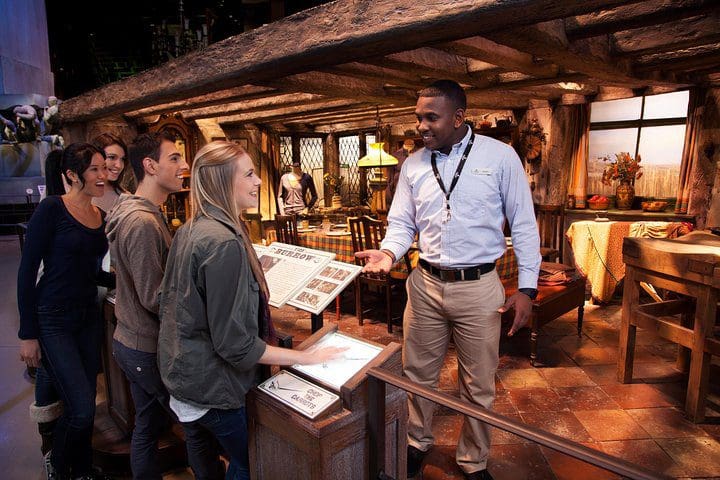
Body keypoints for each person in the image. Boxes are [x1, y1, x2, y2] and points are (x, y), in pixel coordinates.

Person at [356, 80, 540, 480]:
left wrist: (527, 289)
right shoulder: (414, 165)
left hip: (479, 288)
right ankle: (416, 442)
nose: (421, 125)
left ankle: (473, 461)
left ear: (458, 118)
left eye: (431, 117)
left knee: (478, 383)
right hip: (424, 285)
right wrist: (389, 253)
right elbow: (402, 222)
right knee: (416, 373)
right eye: (419, 116)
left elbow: (525, 226)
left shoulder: (500, 156)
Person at [157, 141, 345, 480]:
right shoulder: (223, 242)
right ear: (221, 182)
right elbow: (235, 344)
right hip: (214, 388)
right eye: (248, 174)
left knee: (205, 460)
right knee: (252, 463)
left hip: (185, 379)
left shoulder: (190, 229)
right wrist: (307, 357)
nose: (258, 182)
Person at [105, 132, 224, 480]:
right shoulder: (142, 222)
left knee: (149, 423)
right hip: (144, 346)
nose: (184, 166)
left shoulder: (137, 212)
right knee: (197, 424)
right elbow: (153, 296)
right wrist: (205, 297)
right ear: (150, 165)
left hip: (130, 341)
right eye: (174, 158)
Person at [18, 143, 116, 480]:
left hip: (86, 317)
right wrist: (27, 334)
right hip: (53, 317)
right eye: (95, 169)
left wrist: (121, 280)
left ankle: (83, 468)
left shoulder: (99, 215)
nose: (104, 175)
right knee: (81, 407)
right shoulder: (51, 210)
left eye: (105, 167)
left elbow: (91, 272)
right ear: (73, 175)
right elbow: (27, 270)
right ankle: (59, 467)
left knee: (85, 400)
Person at [92, 133, 128, 213]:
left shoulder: (125, 198)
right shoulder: (73, 188)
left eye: (122, 159)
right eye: (112, 157)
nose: (119, 165)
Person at [386, 138, 417, 207]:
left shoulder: (421, 155)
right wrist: (389, 200)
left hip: (417, 193)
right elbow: (390, 178)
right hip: (399, 193)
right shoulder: (395, 156)